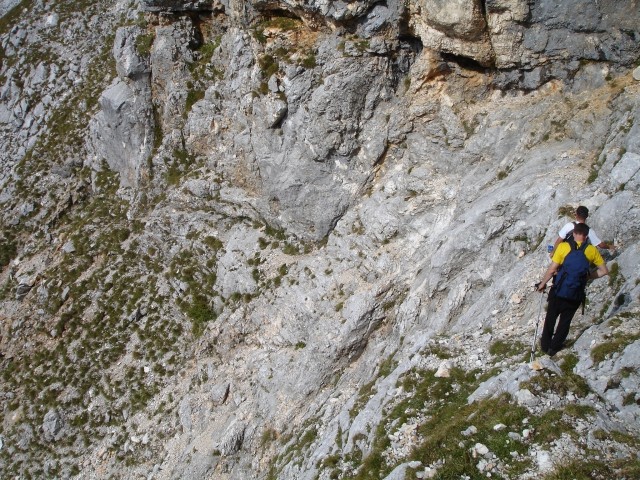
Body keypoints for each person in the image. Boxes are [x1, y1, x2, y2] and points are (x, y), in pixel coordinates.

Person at [536, 223, 609, 356]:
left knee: (551, 318)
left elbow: (552, 269)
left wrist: (542, 283)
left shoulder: (564, 247)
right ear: (586, 236)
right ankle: (554, 347)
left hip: (559, 291)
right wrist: (588, 277)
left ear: (574, 233)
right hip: (576, 293)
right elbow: (604, 271)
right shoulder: (592, 250)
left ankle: (545, 345)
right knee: (565, 321)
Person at [549, 205, 614, 257]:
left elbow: (559, 240)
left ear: (576, 215)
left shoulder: (569, 226)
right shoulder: (589, 231)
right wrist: (610, 247)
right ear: (587, 216)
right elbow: (601, 245)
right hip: (578, 257)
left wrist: (553, 252)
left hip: (564, 254)